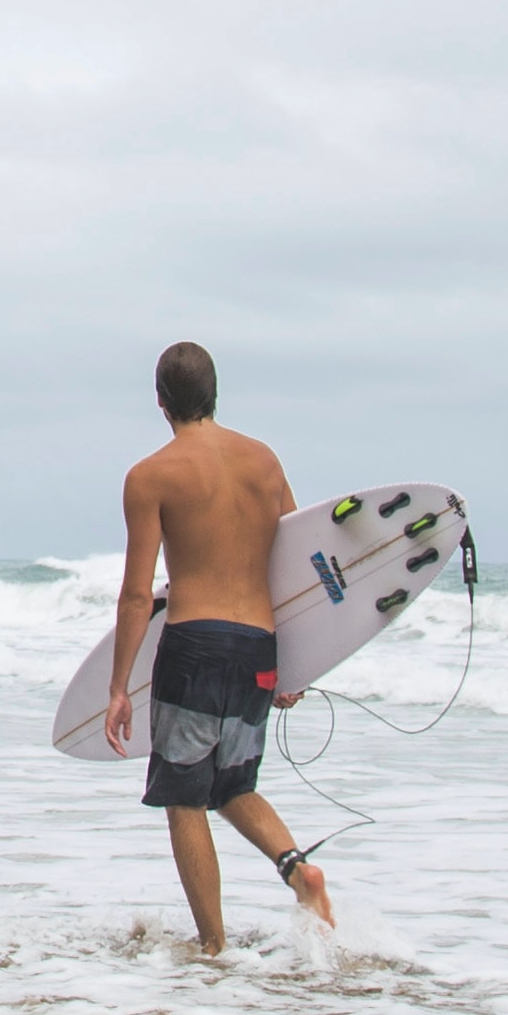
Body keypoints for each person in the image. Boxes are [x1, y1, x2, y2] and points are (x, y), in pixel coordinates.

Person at [103, 339, 334, 950]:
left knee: (185, 797)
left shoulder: (151, 476)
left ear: (160, 402)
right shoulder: (264, 462)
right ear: (215, 395)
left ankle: (213, 948)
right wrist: (296, 664)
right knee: (233, 786)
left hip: (194, 646)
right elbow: (296, 564)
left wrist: (119, 687)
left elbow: (135, 596)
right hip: (258, 645)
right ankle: (297, 869)